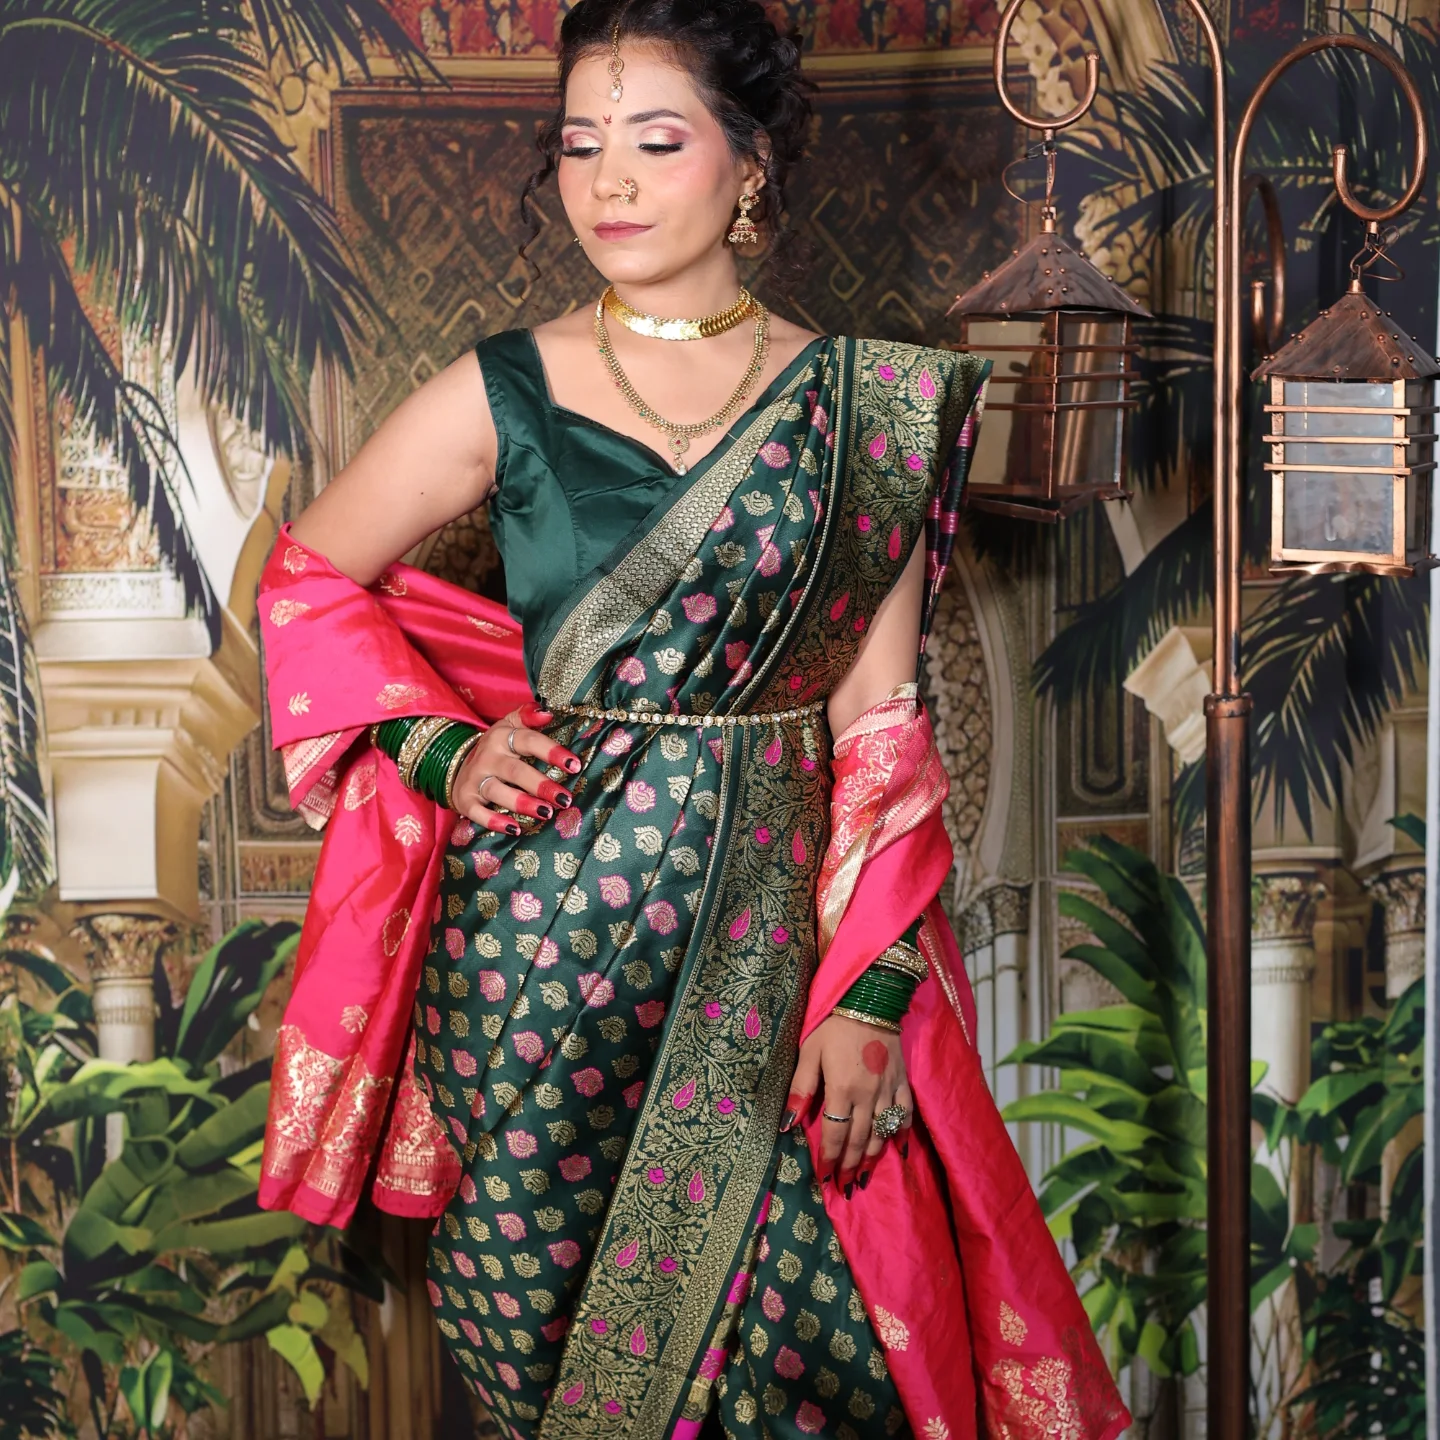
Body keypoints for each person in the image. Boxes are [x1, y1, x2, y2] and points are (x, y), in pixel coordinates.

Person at [255, 3, 1131, 1438]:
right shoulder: (504, 387)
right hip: (531, 959)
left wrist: (871, 993)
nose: (607, 181)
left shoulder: (872, 407)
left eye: (655, 142)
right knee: (542, 1350)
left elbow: (880, 720)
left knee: (814, 1354)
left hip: (768, 954)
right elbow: (308, 579)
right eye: (579, 145)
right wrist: (440, 747)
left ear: (750, 164)